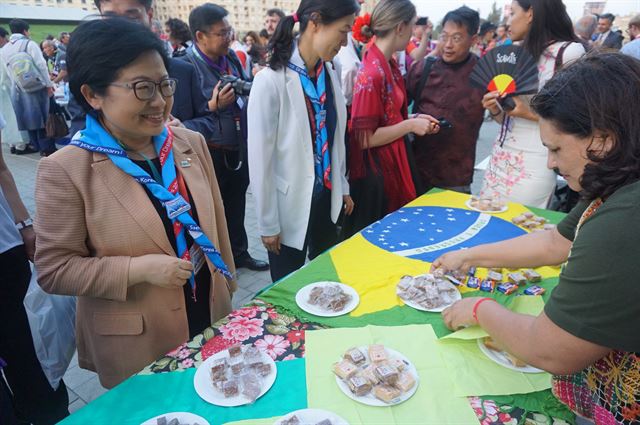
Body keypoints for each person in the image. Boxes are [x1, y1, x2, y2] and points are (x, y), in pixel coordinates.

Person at [435, 52, 640, 425]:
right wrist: (467, 256)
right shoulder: (617, 184)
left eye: (556, 148)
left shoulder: (624, 219)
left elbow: (551, 350)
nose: (550, 164)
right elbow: (553, 243)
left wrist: (481, 310)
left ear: (604, 140)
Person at [34, 18, 236, 388]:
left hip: (209, 312)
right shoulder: (65, 170)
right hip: (139, 339)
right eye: (142, 88)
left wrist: (229, 283)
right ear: (93, 95)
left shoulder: (188, 143)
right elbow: (54, 269)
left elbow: (217, 223)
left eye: (164, 84)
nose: (160, 102)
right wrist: (137, 269)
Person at [248, 0, 359, 282]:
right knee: (287, 288)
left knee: (323, 278)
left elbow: (336, 139)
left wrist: (342, 187)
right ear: (316, 22)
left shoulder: (328, 73)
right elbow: (260, 160)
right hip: (288, 208)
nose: (345, 43)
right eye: (343, 30)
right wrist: (267, 222)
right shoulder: (270, 80)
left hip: (325, 198)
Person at [183, 3, 268, 272]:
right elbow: (178, 124)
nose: (228, 37)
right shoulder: (186, 68)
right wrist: (212, 107)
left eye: (229, 31)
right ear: (200, 36)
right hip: (207, 152)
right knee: (211, 211)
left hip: (237, 146)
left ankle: (239, 253)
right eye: (222, 33)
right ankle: (215, 262)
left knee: (236, 203)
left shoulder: (231, 57)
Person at [344, 0, 440, 236]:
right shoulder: (372, 72)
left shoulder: (387, 64)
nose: (412, 34)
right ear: (400, 27)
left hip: (392, 159)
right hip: (378, 171)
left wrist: (416, 117)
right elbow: (364, 139)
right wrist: (409, 124)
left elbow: (388, 117)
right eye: (411, 27)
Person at [67, 0, 216, 147]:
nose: (120, 26)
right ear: (92, 95)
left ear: (149, 16)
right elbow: (79, 131)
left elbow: (208, 120)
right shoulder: (90, 77)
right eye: (111, 17)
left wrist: (183, 129)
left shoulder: (184, 71)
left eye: (131, 18)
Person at [480, 0, 585, 208]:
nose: (507, 21)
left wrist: (529, 114)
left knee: (523, 226)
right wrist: (495, 109)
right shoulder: (515, 52)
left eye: (512, 13)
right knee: (487, 222)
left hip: (537, 159)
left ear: (531, 13)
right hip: (500, 156)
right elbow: (509, 119)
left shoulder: (569, 52)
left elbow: (575, 117)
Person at [0, 111, 69, 425]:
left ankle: (53, 416)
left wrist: (25, 224)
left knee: (27, 350)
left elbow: (1, 168)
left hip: (4, 249)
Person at [407, 6, 485, 194]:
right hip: (417, 171)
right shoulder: (423, 69)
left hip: (456, 176)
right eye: (444, 36)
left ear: (473, 40)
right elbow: (397, 109)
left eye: (456, 38)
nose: (448, 45)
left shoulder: (484, 74)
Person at [0, 19, 56, 156]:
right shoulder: (29, 44)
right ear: (25, 30)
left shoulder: (4, 49)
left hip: (17, 89)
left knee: (26, 116)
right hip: (36, 86)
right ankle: (47, 148)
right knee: (43, 116)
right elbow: (41, 65)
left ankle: (35, 145)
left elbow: (7, 72)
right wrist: (49, 85)